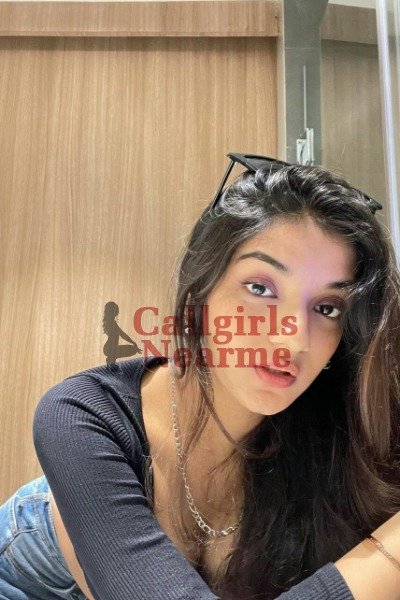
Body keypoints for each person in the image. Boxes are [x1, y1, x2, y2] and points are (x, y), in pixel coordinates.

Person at [0, 153, 399, 600]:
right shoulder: (82, 417)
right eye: (261, 288)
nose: (293, 339)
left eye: (327, 308)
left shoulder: (333, 427)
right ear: (199, 294)